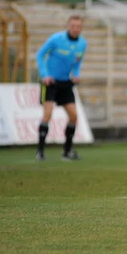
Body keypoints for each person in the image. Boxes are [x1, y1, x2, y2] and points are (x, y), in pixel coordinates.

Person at [35, 15, 87, 161]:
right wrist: (44, 75)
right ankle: (40, 151)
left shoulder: (82, 44)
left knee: (74, 117)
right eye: (73, 26)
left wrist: (76, 74)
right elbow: (40, 55)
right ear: (68, 26)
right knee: (48, 114)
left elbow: (77, 62)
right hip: (50, 83)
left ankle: (67, 151)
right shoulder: (56, 39)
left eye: (78, 26)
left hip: (66, 83)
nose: (75, 29)